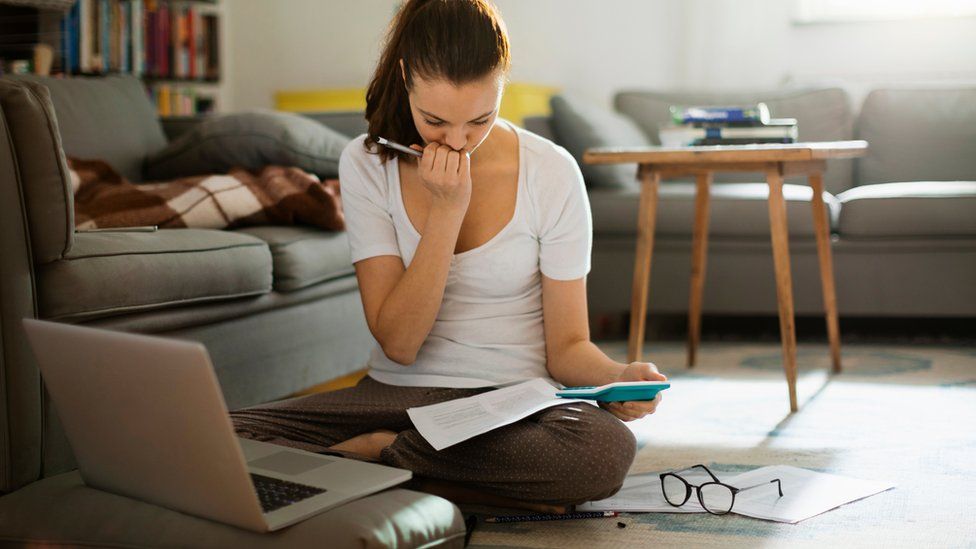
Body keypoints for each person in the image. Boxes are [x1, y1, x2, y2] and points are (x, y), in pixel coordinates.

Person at [231, 0, 667, 509]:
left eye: (480, 119)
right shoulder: (367, 162)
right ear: (405, 79)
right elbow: (400, 342)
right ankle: (447, 475)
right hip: (394, 396)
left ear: (502, 85)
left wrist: (618, 378)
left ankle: (381, 458)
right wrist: (446, 212)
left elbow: (568, 347)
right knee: (220, 435)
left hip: (514, 405)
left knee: (600, 452)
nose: (458, 141)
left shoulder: (551, 170)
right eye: (434, 121)